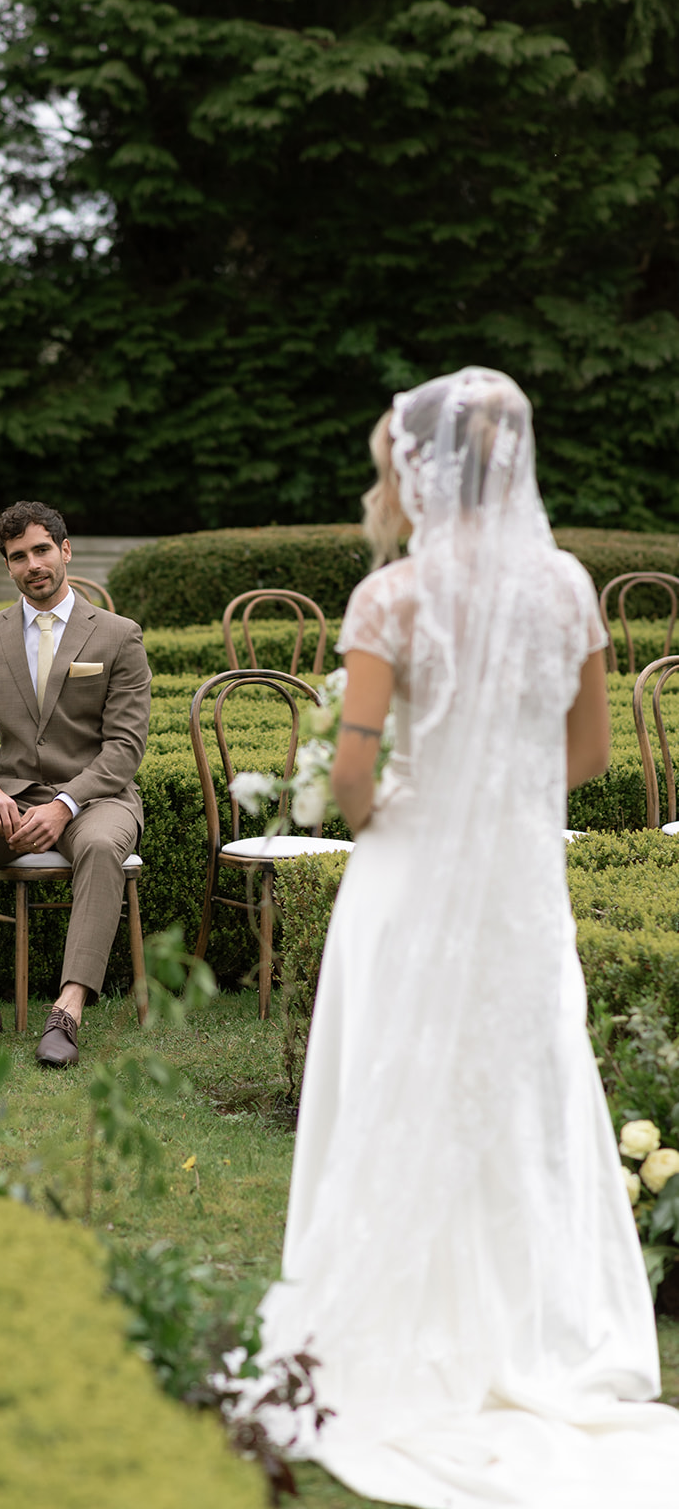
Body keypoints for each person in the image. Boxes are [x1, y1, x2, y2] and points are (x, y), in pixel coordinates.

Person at [249, 369, 679, 1506]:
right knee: (524, 1090)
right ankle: (528, 1326)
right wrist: (495, 800)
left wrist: (391, 805)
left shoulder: (391, 599)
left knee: (396, 1080)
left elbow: (352, 775)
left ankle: (396, 1321)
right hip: (519, 887)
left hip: (411, 875)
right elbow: (589, 755)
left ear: (424, 473)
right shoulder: (567, 585)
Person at [0, 501, 151, 1065]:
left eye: (42, 550)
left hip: (98, 799)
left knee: (101, 847)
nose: (33, 565)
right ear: (8, 565)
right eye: (19, 556)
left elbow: (125, 747)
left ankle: (67, 1011)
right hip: (12, 797)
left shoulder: (118, 635)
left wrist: (67, 804)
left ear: (65, 550)